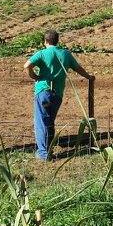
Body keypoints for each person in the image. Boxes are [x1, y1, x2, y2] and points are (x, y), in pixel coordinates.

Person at [23, 30, 94, 161]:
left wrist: (34, 76)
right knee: (49, 121)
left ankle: (44, 154)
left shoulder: (42, 53)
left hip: (43, 92)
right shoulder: (65, 54)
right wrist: (89, 77)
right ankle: (48, 148)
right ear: (57, 40)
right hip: (57, 94)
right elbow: (78, 68)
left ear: (45, 41)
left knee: (41, 122)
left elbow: (27, 65)